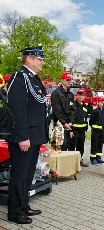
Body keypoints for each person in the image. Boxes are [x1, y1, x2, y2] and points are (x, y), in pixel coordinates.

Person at [6, 46, 48, 224]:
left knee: (29, 174)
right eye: (40, 59)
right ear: (29, 59)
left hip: (35, 135)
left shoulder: (34, 79)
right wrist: (23, 136)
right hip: (24, 137)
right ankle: (14, 212)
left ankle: (24, 205)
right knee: (20, 175)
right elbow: (17, 109)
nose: (43, 63)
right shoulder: (19, 77)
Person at [51, 72, 76, 150]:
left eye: (70, 80)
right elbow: (57, 110)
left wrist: (71, 122)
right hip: (59, 124)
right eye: (67, 80)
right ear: (62, 80)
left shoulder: (70, 94)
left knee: (67, 145)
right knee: (59, 145)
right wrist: (64, 123)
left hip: (68, 124)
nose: (69, 82)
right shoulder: (56, 93)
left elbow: (73, 109)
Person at [68, 88, 89, 167]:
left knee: (81, 146)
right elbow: (69, 118)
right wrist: (70, 131)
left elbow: (86, 119)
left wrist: (86, 130)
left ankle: (79, 160)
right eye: (79, 95)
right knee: (72, 146)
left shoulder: (85, 106)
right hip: (74, 130)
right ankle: (71, 163)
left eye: (82, 95)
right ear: (76, 96)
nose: (80, 97)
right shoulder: (73, 105)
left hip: (82, 130)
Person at [89, 97, 104, 165]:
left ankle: (98, 157)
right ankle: (93, 158)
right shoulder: (95, 111)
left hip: (102, 130)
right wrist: (94, 127)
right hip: (96, 131)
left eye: (103, 102)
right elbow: (91, 121)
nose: (102, 103)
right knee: (94, 144)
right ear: (98, 103)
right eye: (101, 102)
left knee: (100, 144)